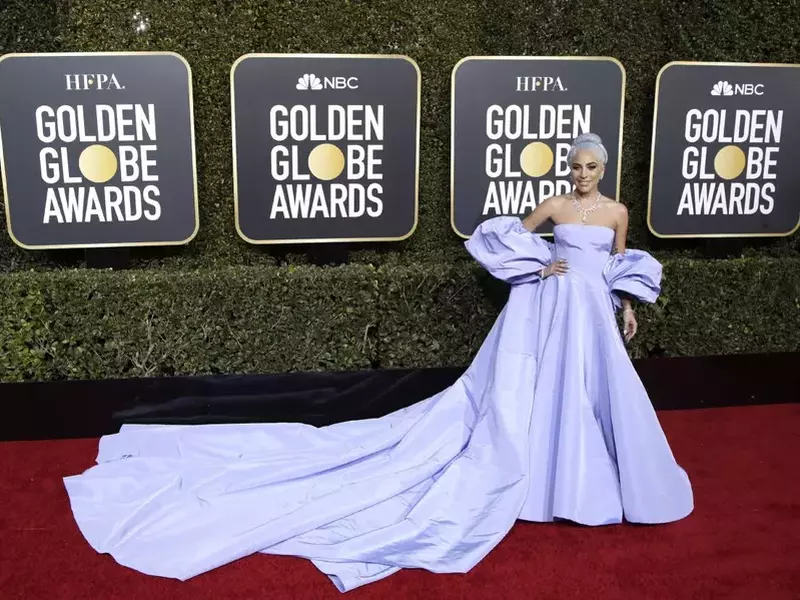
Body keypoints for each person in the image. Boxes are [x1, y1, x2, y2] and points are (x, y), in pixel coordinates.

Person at [63, 133, 693, 593]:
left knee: (587, 392)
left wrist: (623, 304)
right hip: (551, 307)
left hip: (592, 313)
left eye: (591, 167)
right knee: (537, 391)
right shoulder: (555, 205)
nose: (582, 175)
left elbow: (616, 261)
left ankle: (577, 481)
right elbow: (511, 238)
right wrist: (542, 264)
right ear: (568, 167)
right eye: (576, 166)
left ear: (603, 169)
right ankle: (536, 472)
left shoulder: (616, 212)